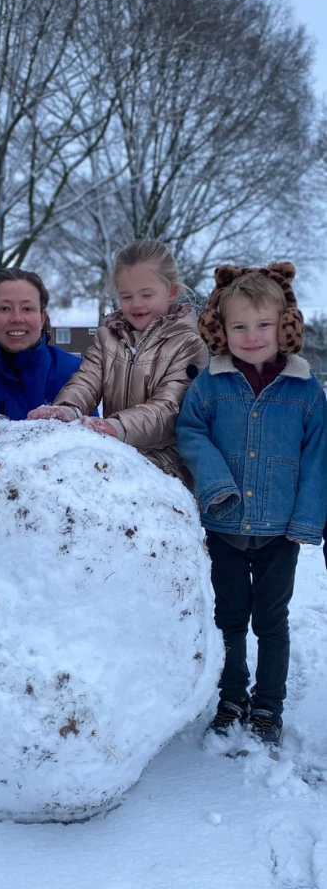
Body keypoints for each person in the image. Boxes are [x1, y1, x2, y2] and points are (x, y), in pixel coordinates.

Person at [176, 264, 327, 746]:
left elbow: (317, 456)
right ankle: (231, 695)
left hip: (279, 532)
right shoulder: (210, 385)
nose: (252, 336)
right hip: (223, 526)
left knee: (271, 621)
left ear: (285, 325)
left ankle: (268, 704)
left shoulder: (305, 390)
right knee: (229, 617)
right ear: (221, 329)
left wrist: (305, 522)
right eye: (239, 325)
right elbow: (190, 431)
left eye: (263, 325)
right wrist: (215, 483)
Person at [26, 239, 208, 486]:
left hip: (166, 468)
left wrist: (117, 427)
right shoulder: (108, 336)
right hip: (114, 458)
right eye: (126, 296)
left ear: (171, 292)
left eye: (147, 294)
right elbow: (87, 379)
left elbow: (170, 408)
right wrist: (69, 408)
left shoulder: (188, 343)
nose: (136, 304)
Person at [0, 268, 90, 447]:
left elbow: (92, 442)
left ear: (42, 318)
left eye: (27, 308)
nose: (17, 318)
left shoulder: (73, 371)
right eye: (4, 308)